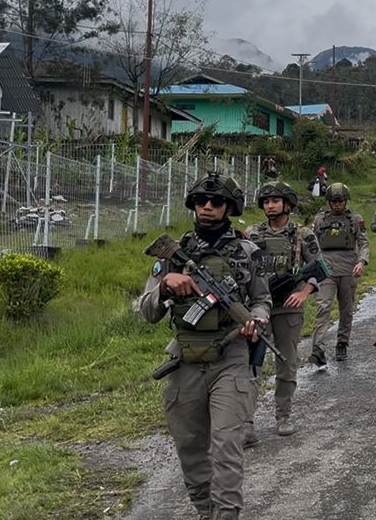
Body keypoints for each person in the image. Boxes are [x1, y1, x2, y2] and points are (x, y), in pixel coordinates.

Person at [136, 172, 270, 520]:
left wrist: (256, 320)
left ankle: (226, 514)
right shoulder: (172, 253)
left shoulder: (248, 252)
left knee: (227, 445)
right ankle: (205, 511)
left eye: (216, 202)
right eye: (201, 201)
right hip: (185, 360)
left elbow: (261, 300)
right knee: (191, 446)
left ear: (230, 208)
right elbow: (145, 311)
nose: (207, 207)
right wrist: (165, 284)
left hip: (231, 355)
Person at [245, 181, 323, 438]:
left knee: (286, 363)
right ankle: (246, 423)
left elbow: (321, 267)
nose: (270, 206)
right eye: (266, 202)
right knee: (251, 365)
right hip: (258, 309)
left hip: (287, 308)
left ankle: (283, 415)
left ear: (287, 204)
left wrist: (304, 292)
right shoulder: (252, 234)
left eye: (276, 201)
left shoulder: (302, 235)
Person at [309, 182, 367, 364]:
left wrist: (362, 261)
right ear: (329, 202)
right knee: (323, 306)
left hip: (348, 266)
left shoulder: (354, 219)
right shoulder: (320, 220)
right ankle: (318, 348)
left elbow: (364, 243)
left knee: (346, 309)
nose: (337, 204)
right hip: (326, 267)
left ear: (345, 201)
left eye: (340, 201)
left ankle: (342, 342)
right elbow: (311, 243)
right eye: (334, 201)